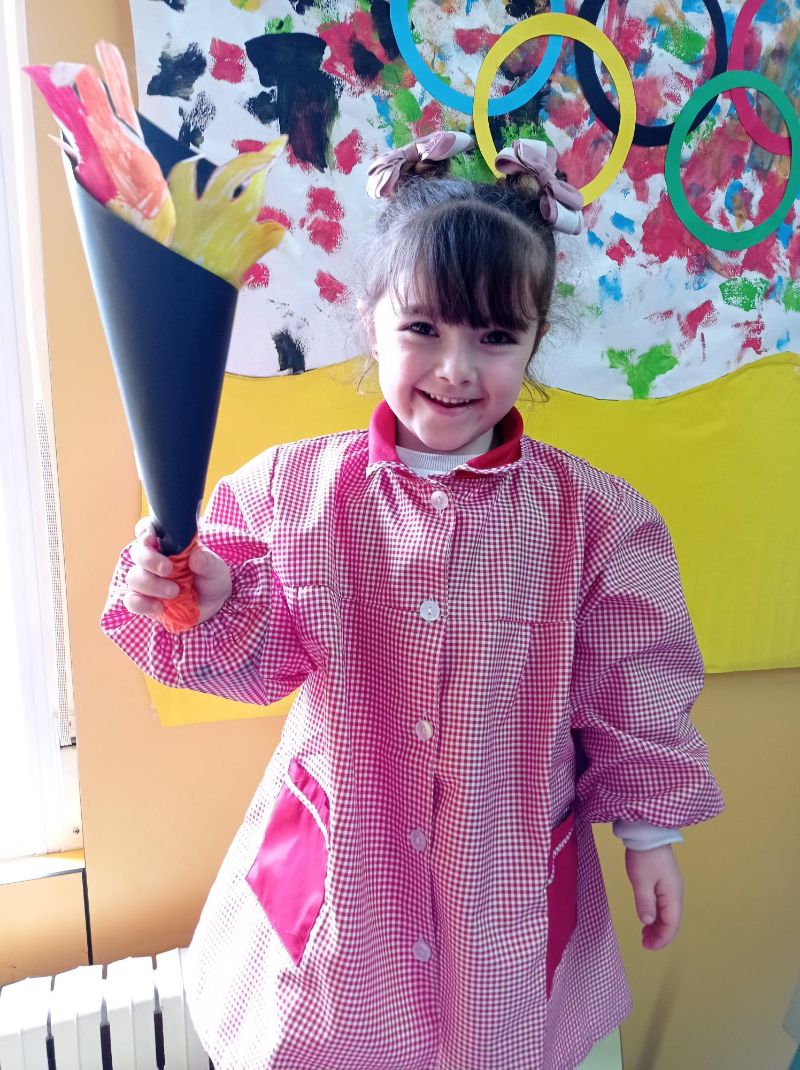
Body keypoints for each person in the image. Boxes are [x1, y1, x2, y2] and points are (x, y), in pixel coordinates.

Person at [101, 133, 725, 1070]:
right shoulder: (291, 493)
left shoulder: (595, 519)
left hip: (501, 893)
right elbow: (249, 659)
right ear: (372, 322)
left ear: (536, 340)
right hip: (343, 905)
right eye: (424, 328)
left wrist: (648, 836)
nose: (456, 368)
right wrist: (215, 594)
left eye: (495, 336)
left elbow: (633, 689)